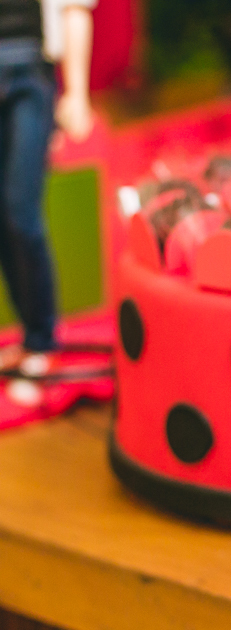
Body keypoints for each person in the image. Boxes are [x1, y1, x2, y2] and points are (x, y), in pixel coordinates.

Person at [0, 0, 95, 373]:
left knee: (21, 212)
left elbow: (75, 9)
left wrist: (77, 92)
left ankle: (42, 340)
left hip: (30, 71)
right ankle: (30, 338)